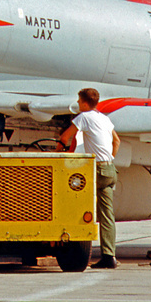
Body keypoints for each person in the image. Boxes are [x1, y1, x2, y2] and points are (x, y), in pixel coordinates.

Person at [58, 87, 120, 268]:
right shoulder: (105, 119)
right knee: (107, 214)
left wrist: (57, 154)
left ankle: (75, 248)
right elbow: (116, 141)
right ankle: (109, 256)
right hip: (109, 170)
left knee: (74, 201)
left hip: (96, 170)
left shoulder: (83, 118)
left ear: (85, 103)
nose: (77, 104)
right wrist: (109, 159)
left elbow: (65, 137)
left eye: (78, 101)